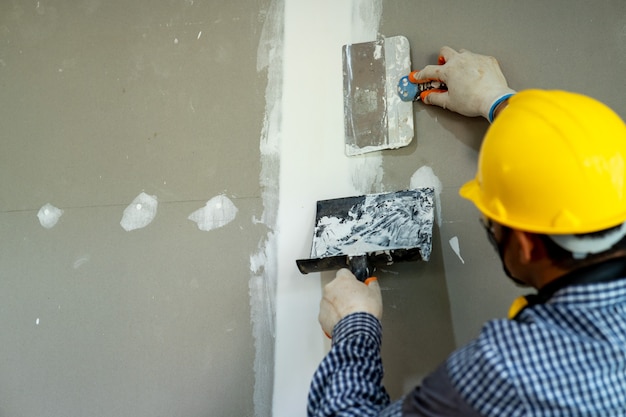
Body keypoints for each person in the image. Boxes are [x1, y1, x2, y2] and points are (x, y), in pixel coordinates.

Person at [307, 46, 626, 416]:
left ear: (524, 246)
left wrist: (353, 326)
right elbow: (592, 172)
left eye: (491, 221)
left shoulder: (512, 373)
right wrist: (498, 102)